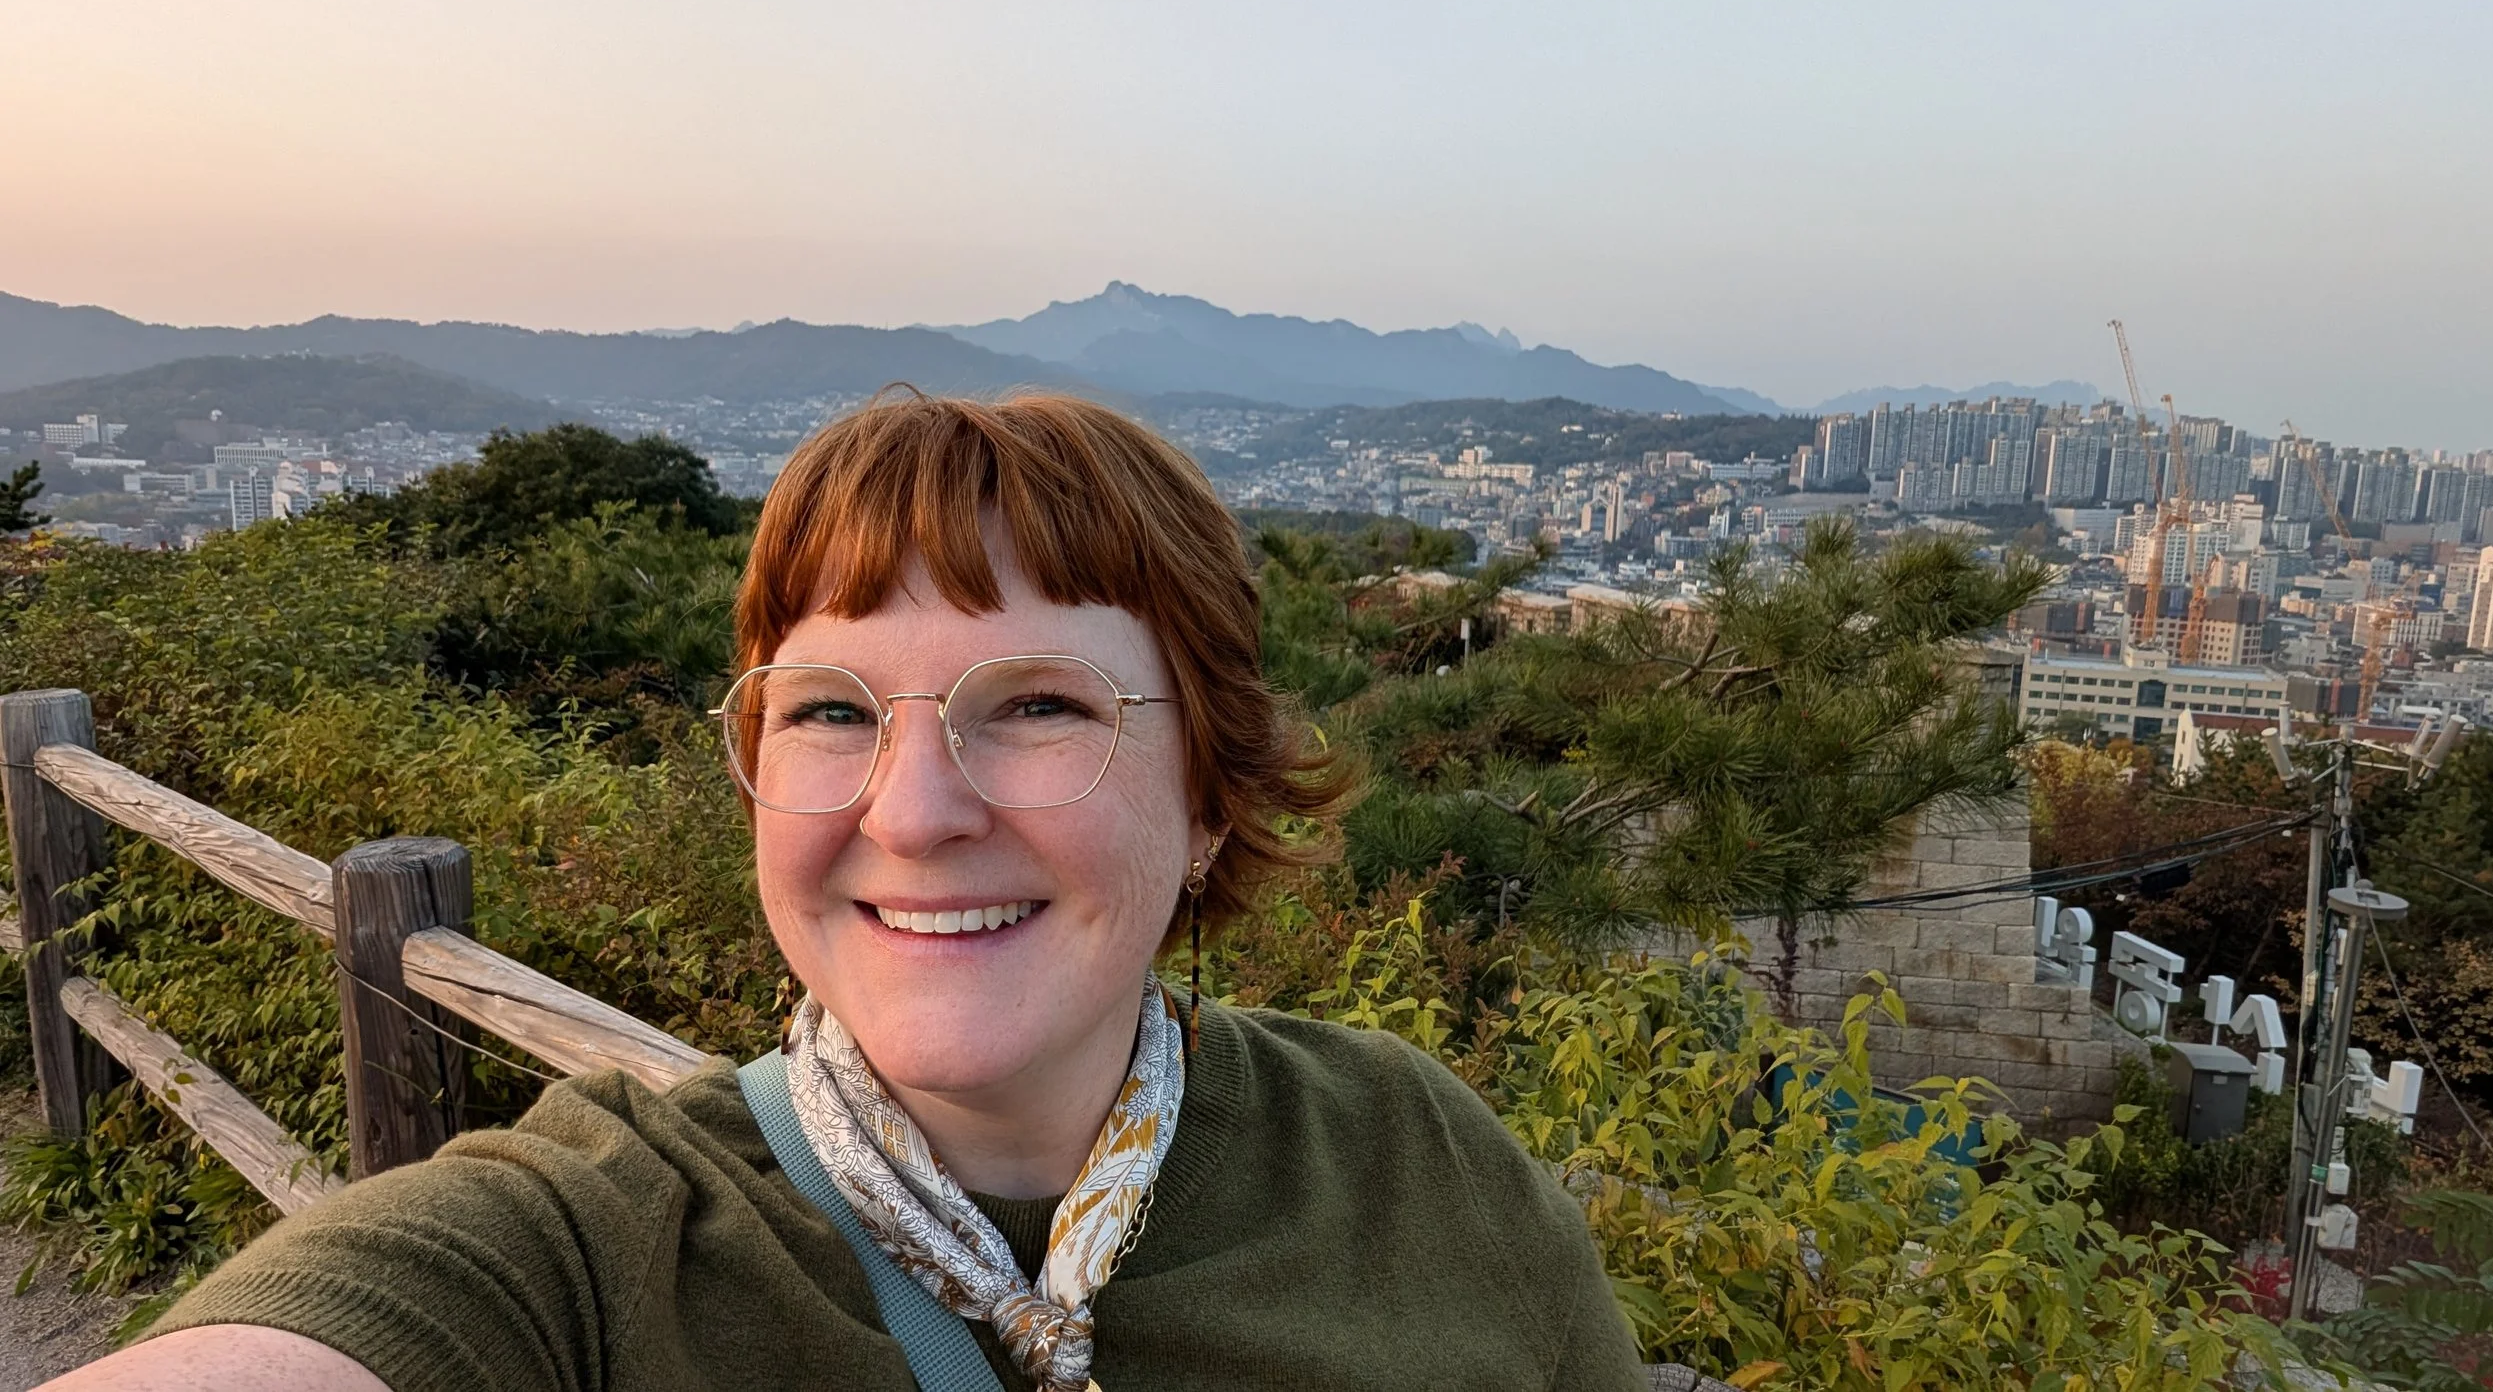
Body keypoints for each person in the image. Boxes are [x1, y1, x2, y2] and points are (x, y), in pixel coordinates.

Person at [46, 391, 1645, 1391]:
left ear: (1212, 796)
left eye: (1039, 704)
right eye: (828, 711)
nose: (916, 809)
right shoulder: (600, 1243)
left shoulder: (1415, 1167)